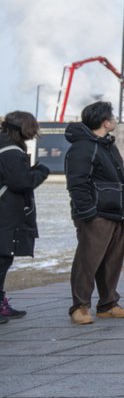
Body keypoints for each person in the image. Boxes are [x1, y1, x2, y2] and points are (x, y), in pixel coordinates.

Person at [64, 101, 124, 325]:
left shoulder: (106, 145)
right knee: (88, 260)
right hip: (96, 214)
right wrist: (88, 212)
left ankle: (108, 303)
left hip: (115, 212)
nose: (115, 119)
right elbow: (77, 183)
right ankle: (80, 306)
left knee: (112, 261)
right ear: (105, 121)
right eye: (112, 116)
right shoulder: (84, 147)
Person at [0, 111, 50, 322]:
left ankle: (2, 303)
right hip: (5, 215)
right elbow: (21, 182)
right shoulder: (11, 152)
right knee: (2, 259)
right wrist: (41, 172)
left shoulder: (5, 147)